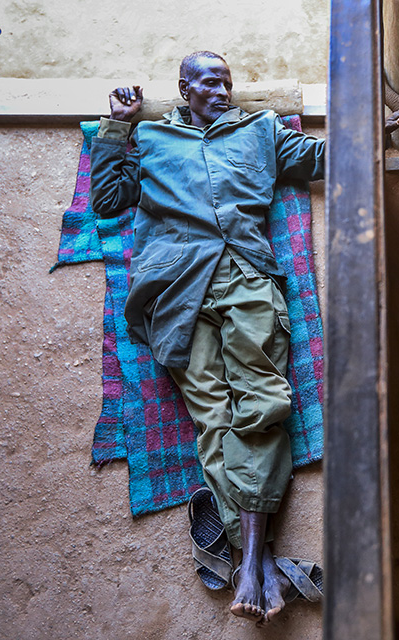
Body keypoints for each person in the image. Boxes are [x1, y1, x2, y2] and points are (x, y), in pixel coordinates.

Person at [89, 50, 325, 625]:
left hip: (247, 275)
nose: (221, 90)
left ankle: (248, 563)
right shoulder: (150, 139)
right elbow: (106, 201)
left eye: (226, 82)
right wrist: (117, 125)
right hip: (173, 287)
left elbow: (320, 158)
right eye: (208, 82)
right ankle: (260, 559)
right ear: (183, 88)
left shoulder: (262, 131)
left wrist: (374, 131)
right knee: (212, 415)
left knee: (264, 404)